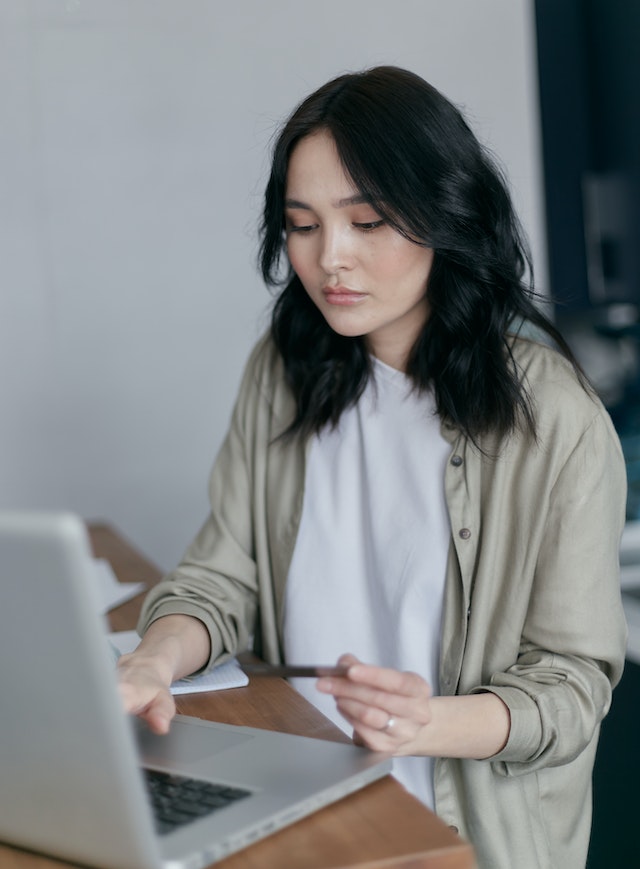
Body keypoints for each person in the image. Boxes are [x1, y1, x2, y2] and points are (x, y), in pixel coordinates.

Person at [117, 66, 627, 868]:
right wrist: (150, 661)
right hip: (300, 796)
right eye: (303, 225)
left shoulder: (554, 419)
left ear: (444, 216)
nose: (331, 260)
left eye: (369, 221)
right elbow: (222, 580)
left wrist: (426, 722)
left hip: (456, 835)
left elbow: (571, 688)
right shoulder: (283, 371)